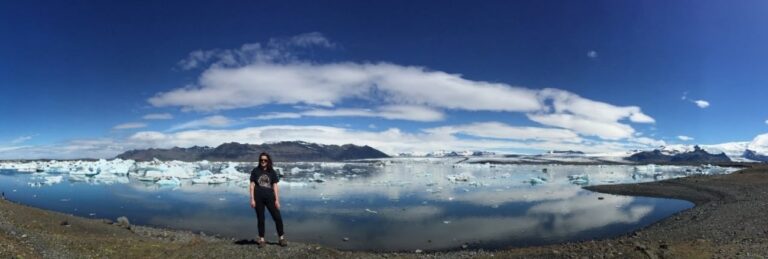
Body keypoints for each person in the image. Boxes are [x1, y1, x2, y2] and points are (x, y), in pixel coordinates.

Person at [249, 152, 287, 247]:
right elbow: (252, 185)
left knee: (277, 217)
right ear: (259, 161)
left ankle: (281, 238)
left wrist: (277, 200)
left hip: (270, 197)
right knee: (261, 219)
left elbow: (275, 186)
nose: (263, 161)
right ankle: (262, 240)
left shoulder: (272, 172)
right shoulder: (255, 171)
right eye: (261, 160)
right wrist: (252, 199)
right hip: (258, 198)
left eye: (265, 160)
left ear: (268, 161)